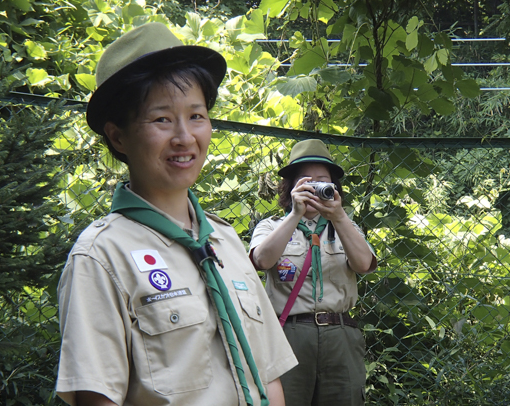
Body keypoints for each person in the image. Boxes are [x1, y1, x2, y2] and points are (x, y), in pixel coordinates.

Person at [55, 22, 297, 406]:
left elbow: (267, 377)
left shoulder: (225, 241)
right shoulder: (100, 257)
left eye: (196, 116)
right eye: (162, 119)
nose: (185, 137)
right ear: (118, 136)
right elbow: (98, 398)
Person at [249, 139, 378, 406]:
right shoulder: (272, 225)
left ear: (334, 188)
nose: (315, 188)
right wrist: (294, 215)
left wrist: (338, 217)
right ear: (292, 187)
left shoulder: (346, 226)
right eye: (307, 181)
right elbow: (261, 260)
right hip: (289, 335)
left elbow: (364, 265)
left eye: (322, 181)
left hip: (340, 335)